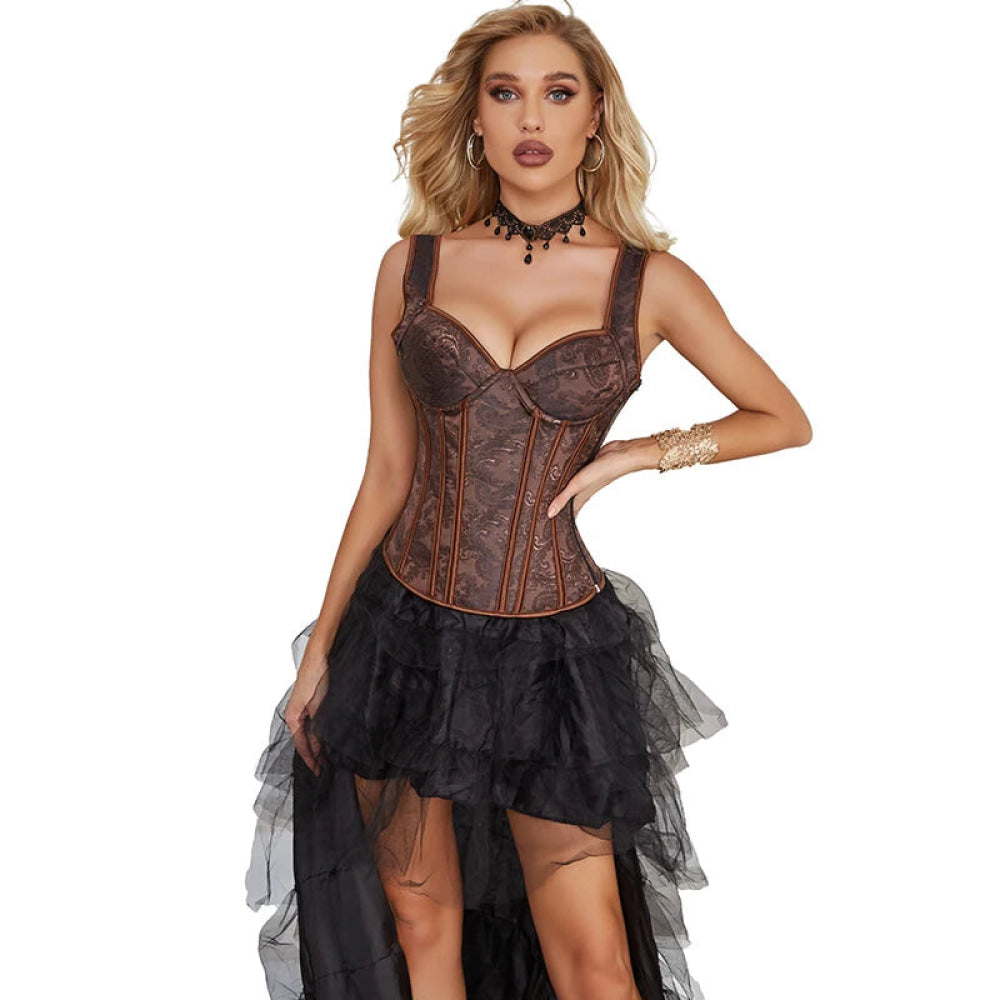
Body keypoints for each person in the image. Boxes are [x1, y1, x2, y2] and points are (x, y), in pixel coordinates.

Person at [245, 4, 812, 999]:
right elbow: (388, 470)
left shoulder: (648, 283)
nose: (531, 118)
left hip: (554, 652)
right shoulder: (411, 266)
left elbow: (781, 417)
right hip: (403, 634)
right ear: (474, 117)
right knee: (418, 921)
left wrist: (639, 452)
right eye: (505, 93)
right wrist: (324, 643)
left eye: (558, 92)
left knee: (594, 962)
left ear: (596, 116)